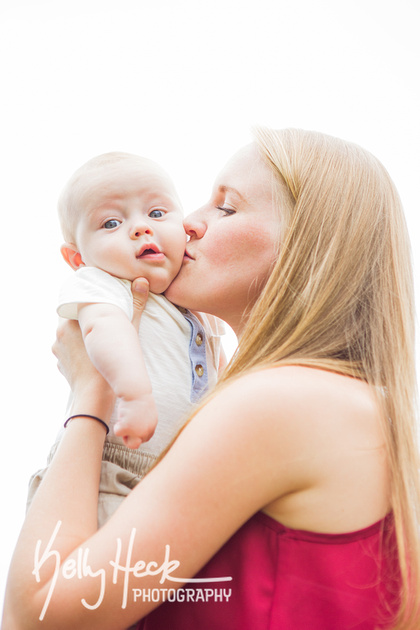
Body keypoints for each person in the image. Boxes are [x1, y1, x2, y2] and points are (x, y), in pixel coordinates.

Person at [3, 128, 420, 630]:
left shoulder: (278, 402)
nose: (189, 223)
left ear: (309, 243)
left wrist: (91, 391)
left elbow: (39, 613)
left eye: (225, 207)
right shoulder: (357, 407)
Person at [27, 152, 225, 526]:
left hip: (180, 478)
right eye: (111, 222)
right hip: (111, 467)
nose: (139, 228)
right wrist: (135, 394)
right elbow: (102, 328)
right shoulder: (104, 282)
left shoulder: (193, 305)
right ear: (77, 258)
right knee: (94, 574)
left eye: (156, 213)